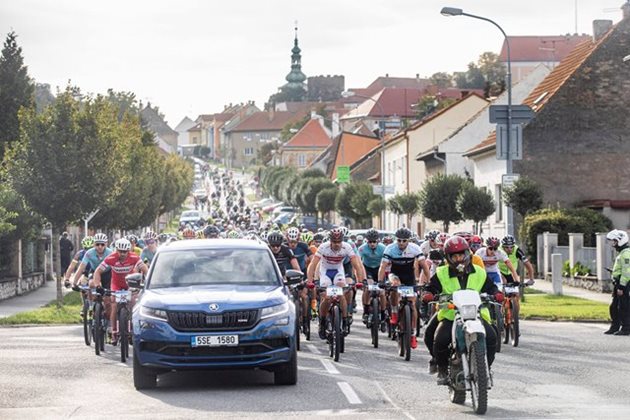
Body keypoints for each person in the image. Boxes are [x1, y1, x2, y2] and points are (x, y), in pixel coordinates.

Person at [423, 236, 502, 383]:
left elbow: (490, 287)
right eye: (455, 256)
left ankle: (485, 369)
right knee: (436, 336)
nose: (459, 259)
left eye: (461, 254)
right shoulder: (441, 272)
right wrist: (428, 294)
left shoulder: (479, 272)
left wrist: (496, 293)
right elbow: (431, 287)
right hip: (451, 314)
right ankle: (442, 369)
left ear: (467, 254)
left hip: (476, 314)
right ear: (448, 257)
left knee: (492, 336)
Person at [306, 227, 366, 339]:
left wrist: (359, 281)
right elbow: (313, 265)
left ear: (342, 241)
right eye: (334, 242)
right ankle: (322, 322)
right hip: (325, 272)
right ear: (330, 241)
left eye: (339, 242)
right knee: (327, 298)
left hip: (339, 271)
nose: (337, 244)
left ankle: (345, 321)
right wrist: (311, 281)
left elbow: (356, 265)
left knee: (341, 294)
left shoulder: (347, 247)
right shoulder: (324, 247)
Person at [377, 227, 428, 349]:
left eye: (404, 241)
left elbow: (424, 266)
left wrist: (428, 281)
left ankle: (413, 333)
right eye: (399, 240)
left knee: (412, 301)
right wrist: (380, 281)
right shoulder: (390, 248)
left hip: (409, 276)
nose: (401, 243)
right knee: (395, 285)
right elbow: (383, 267)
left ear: (408, 240)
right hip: (395, 274)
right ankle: (394, 312)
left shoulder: (415, 248)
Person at [93, 238, 147, 345]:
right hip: (116, 284)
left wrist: (148, 282)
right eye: (120, 251)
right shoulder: (111, 258)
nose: (122, 254)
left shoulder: (134, 257)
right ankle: (114, 332)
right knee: (114, 304)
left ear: (128, 251)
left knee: (132, 303)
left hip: (130, 283)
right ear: (116, 250)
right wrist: (97, 285)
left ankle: (132, 330)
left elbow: (146, 270)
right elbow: (97, 272)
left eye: (125, 252)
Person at [359, 228, 387, 325]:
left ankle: (383, 313)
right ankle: (366, 311)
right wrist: (361, 277)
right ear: (367, 241)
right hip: (368, 269)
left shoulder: (383, 248)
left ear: (378, 241)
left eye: (374, 242)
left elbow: (387, 263)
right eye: (370, 242)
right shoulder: (362, 248)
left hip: (379, 269)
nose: (372, 244)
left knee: (382, 292)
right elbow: (358, 263)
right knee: (368, 288)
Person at [605, 229, 630, 335]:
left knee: (623, 307)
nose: (613, 244)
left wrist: (621, 286)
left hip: (623, 284)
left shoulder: (626, 254)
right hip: (618, 283)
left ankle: (626, 328)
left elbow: (627, 271)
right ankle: (615, 327)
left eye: (615, 241)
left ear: (621, 240)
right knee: (614, 307)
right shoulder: (622, 253)